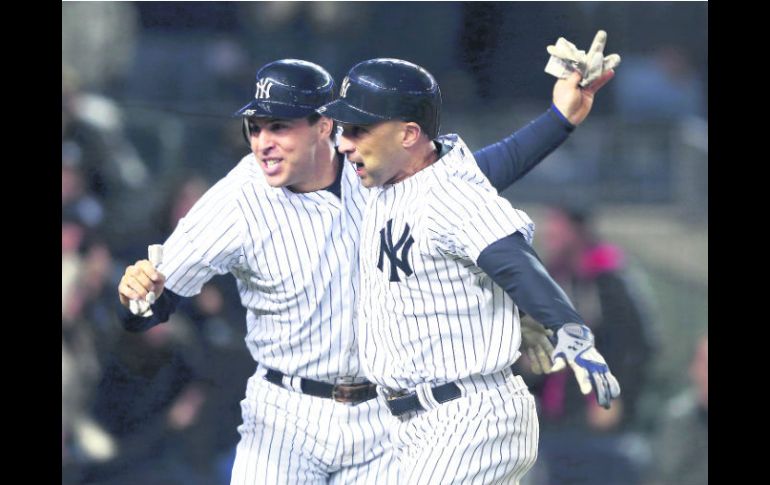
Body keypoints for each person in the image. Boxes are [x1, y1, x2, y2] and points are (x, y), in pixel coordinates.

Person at [117, 53, 609, 484]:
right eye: (256, 127)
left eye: (280, 126)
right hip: (287, 412)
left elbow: (476, 180)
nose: (262, 141)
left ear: (324, 126)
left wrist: (561, 117)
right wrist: (134, 295)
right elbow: (150, 306)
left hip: (386, 416)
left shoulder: (378, 169)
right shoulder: (236, 199)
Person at [321, 57, 620, 484]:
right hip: (415, 422)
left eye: (358, 130)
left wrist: (567, 326)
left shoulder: (449, 197)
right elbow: (501, 162)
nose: (344, 143)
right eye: (343, 130)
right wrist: (560, 118)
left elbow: (515, 261)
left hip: (468, 415)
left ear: (408, 134)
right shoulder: (401, 181)